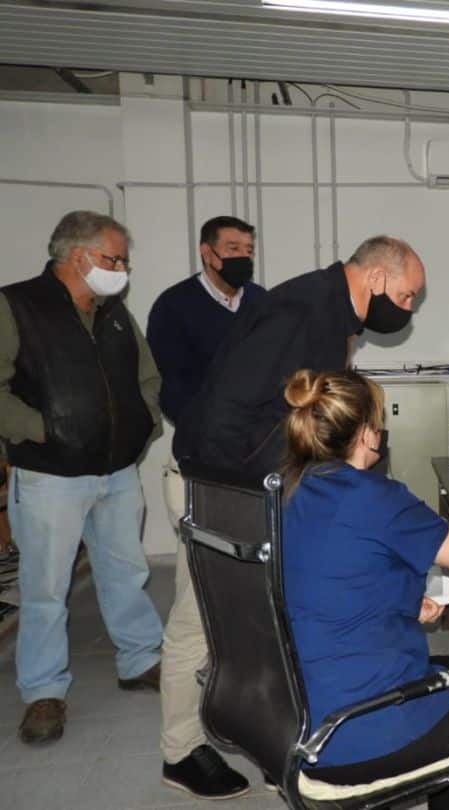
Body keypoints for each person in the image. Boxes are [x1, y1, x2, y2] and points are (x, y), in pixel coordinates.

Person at [281, 369, 449, 810]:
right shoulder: (374, 497)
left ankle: (448, 761)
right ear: (367, 435)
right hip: (354, 733)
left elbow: (338, 575)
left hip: (308, 704)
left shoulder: (299, 489)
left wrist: (404, 604)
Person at [0, 210, 163, 745]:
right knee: (45, 587)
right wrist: (41, 430)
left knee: (125, 571)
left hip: (116, 471)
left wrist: (144, 423)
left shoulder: (114, 314)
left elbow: (146, 375)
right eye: (114, 259)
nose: (121, 269)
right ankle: (43, 691)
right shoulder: (17, 305)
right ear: (79, 256)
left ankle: (139, 659)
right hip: (50, 476)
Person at [147, 216, 265, 799]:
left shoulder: (262, 303)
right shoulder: (175, 308)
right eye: (232, 248)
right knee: (196, 617)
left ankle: (264, 734)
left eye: (249, 248)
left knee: (260, 614)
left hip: (257, 475)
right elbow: (172, 390)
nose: (243, 256)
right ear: (207, 252)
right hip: (203, 473)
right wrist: (224, 422)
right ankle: (180, 750)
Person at [174, 235, 424, 478]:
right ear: (377, 277)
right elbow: (227, 406)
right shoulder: (302, 313)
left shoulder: (332, 312)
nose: (408, 309)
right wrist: (234, 493)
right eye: (406, 296)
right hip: (222, 476)